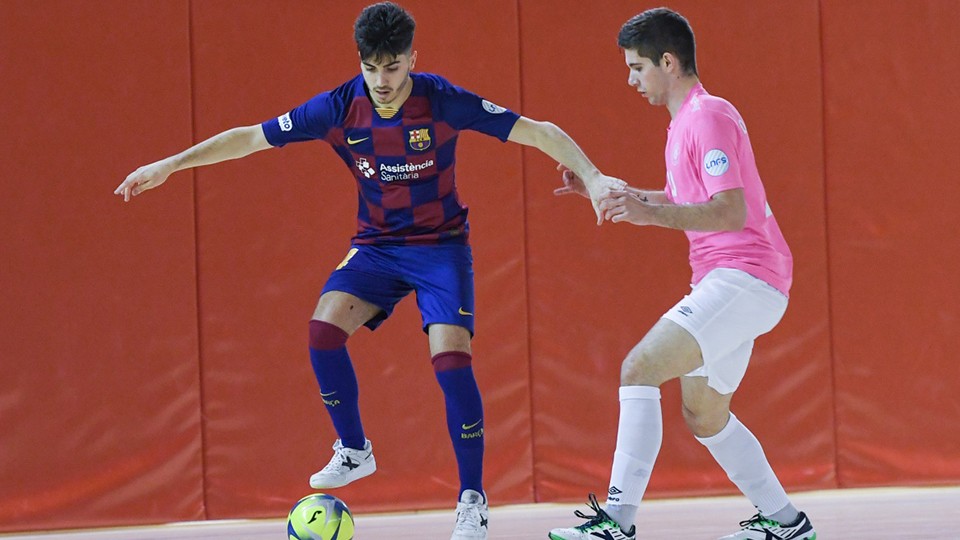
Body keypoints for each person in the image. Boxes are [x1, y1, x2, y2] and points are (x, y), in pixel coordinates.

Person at [114, 3, 620, 539]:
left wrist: (593, 176)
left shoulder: (442, 101)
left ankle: (471, 498)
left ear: (412, 59)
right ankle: (354, 449)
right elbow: (248, 138)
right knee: (322, 332)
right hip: (376, 247)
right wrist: (169, 164)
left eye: (394, 67)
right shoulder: (337, 108)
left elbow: (538, 131)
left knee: (450, 360)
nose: (382, 80)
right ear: (360, 62)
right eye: (372, 67)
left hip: (440, 247)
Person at [548, 8, 816, 540]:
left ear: (668, 62)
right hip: (732, 280)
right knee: (705, 416)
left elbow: (730, 212)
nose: (631, 80)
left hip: (746, 276)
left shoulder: (708, 117)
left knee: (638, 367)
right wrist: (624, 197)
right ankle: (788, 523)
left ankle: (616, 522)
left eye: (637, 67)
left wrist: (650, 214)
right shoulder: (683, 125)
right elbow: (684, 201)